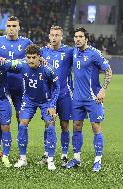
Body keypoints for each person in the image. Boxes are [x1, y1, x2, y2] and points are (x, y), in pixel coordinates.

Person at [66, 27, 112, 172]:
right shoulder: (73, 51)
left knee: (95, 127)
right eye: (75, 36)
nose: (77, 39)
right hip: (77, 98)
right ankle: (76, 158)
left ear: (86, 39)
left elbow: (108, 71)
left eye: (80, 37)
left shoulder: (94, 53)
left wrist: (103, 90)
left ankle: (97, 160)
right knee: (77, 126)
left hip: (93, 98)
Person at [0, 16, 33, 161]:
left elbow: (33, 58)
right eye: (9, 25)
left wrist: (10, 62)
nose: (11, 28)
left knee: (22, 120)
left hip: (22, 88)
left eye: (14, 25)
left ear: (19, 27)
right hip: (3, 87)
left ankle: (22, 155)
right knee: (0, 120)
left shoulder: (27, 42)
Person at [13, 44, 60, 171]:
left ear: (39, 57)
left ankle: (50, 159)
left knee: (50, 125)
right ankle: (22, 159)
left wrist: (52, 104)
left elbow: (57, 86)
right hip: (28, 100)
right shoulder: (22, 65)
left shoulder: (47, 69)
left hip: (46, 101)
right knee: (22, 124)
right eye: (29, 57)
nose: (31, 60)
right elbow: (7, 64)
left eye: (34, 57)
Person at [39, 26, 73, 166]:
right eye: (52, 35)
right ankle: (47, 153)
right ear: (49, 36)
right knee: (49, 124)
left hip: (64, 94)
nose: (54, 37)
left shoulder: (69, 52)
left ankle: (64, 155)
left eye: (57, 35)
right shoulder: (43, 51)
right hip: (48, 95)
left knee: (64, 125)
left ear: (61, 37)